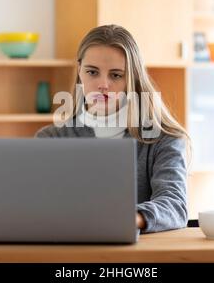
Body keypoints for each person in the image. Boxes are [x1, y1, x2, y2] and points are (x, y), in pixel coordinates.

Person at [35, 24, 191, 233]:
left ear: (131, 79)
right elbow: (36, 207)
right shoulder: (51, 139)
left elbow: (174, 205)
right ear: (79, 70)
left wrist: (127, 218)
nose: (103, 85)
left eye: (116, 75)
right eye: (92, 72)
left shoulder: (163, 139)